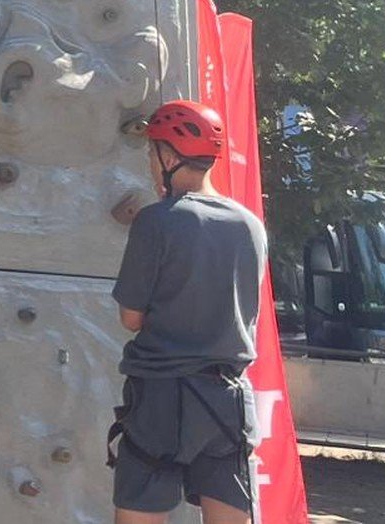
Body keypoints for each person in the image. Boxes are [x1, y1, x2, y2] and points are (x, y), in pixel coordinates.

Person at [109, 100, 269, 524]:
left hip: (162, 397)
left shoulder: (156, 221)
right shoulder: (250, 225)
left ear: (168, 157)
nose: (150, 165)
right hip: (228, 399)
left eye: (151, 154)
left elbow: (131, 318)